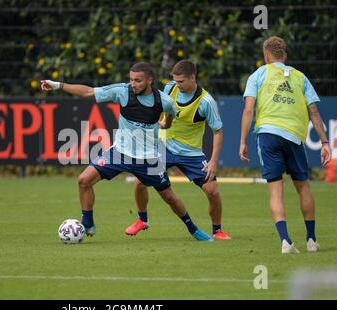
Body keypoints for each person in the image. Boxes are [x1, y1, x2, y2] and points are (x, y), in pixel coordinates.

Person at [41, 62, 213, 241]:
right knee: (84, 180)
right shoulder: (122, 92)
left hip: (148, 159)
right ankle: (88, 223)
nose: (133, 83)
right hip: (119, 153)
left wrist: (165, 124)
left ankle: (193, 229)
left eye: (138, 80)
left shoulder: (164, 101)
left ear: (149, 80)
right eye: (131, 79)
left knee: (169, 197)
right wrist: (58, 85)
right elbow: (89, 91)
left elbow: (169, 116)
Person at [239, 36, 331, 253]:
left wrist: (243, 141)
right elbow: (314, 112)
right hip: (294, 137)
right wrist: (325, 142)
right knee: (304, 187)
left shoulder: (258, 74)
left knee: (275, 190)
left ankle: (286, 241)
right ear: (285, 56)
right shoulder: (300, 77)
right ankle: (311, 240)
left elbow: (249, 110)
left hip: (268, 135)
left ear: (266, 55)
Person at [126, 60, 232, 240]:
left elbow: (218, 132)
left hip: (191, 154)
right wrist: (163, 123)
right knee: (139, 181)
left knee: (213, 191)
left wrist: (213, 161)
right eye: (175, 80)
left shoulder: (206, 102)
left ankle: (217, 230)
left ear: (193, 77)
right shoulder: (170, 88)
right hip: (164, 147)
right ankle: (142, 219)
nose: (178, 85)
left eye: (181, 81)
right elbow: (165, 108)